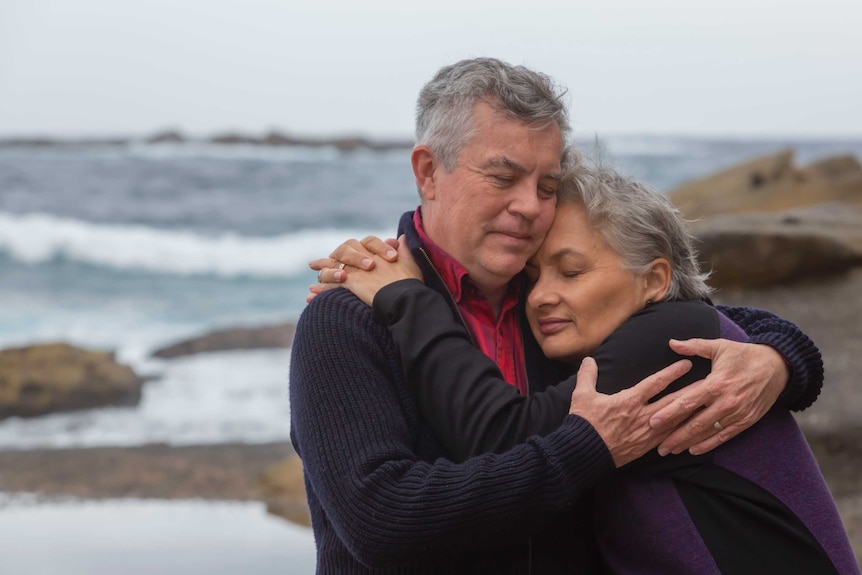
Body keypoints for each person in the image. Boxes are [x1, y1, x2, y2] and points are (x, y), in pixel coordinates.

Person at [291, 57, 823, 573]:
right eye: (503, 178)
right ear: (429, 172)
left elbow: (695, 318)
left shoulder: (550, 313)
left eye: (547, 186)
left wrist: (779, 359)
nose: (530, 206)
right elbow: (382, 521)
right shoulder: (349, 319)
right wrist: (591, 448)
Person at [332, 163, 857, 574]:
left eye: (572, 270)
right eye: (531, 278)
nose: (540, 297)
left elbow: (505, 436)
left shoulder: (672, 341)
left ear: (653, 280)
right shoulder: (625, 339)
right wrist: (782, 352)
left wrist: (405, 298)